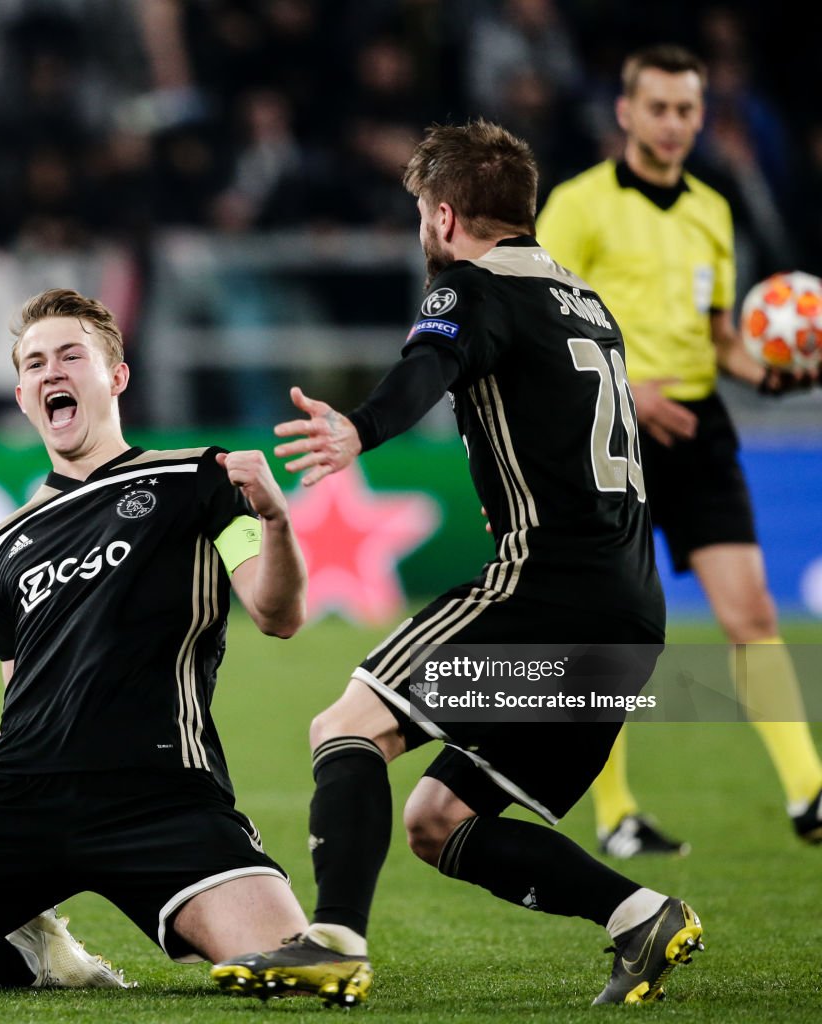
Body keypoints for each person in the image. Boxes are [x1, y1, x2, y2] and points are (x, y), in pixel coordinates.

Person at [211, 119, 703, 1008]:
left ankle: (333, 942)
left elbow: (428, 366)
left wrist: (360, 427)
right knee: (440, 822)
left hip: (543, 589)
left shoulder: (472, 288)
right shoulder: (588, 303)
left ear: (443, 216)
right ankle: (640, 915)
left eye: (419, 218)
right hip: (634, 618)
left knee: (346, 726)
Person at [0, 288, 310, 994]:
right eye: (36, 362)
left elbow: (275, 612)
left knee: (292, 972)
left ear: (117, 376)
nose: (53, 372)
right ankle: (30, 952)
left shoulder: (200, 478)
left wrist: (278, 522)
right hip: (18, 800)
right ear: (21, 394)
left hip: (161, 794)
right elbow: (28, 710)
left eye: (72, 355)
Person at [536, 43, 822, 858]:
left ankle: (808, 792)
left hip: (699, 428)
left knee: (753, 611)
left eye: (686, 110)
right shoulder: (579, 206)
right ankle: (615, 814)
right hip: (608, 432)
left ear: (702, 116)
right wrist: (632, 390)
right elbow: (545, 330)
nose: (672, 123)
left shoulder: (711, 209)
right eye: (657, 108)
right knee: (610, 630)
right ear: (625, 113)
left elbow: (723, 340)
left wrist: (777, 374)